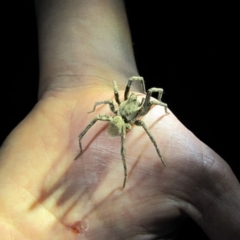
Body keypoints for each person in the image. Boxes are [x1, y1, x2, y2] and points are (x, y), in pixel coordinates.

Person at [0, 0, 239, 239]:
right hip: (122, 120)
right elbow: (143, 100)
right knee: (143, 111)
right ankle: (124, 173)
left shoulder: (118, 106)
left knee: (147, 98)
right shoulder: (131, 116)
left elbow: (139, 96)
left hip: (121, 115)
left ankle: (117, 165)